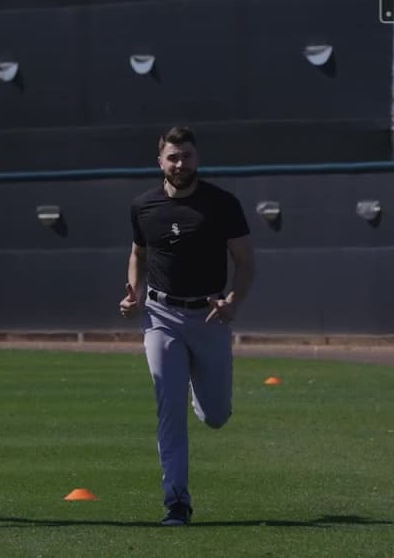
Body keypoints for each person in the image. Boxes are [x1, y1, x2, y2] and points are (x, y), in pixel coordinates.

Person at [119, 126, 254, 526]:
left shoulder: (222, 204)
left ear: (197, 158)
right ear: (159, 161)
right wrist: (134, 292)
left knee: (215, 415)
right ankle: (176, 501)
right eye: (173, 157)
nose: (180, 164)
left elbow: (246, 264)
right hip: (161, 317)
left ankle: (200, 388)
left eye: (187, 156)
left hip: (209, 317)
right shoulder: (143, 206)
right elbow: (137, 254)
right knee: (168, 408)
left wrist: (233, 301)